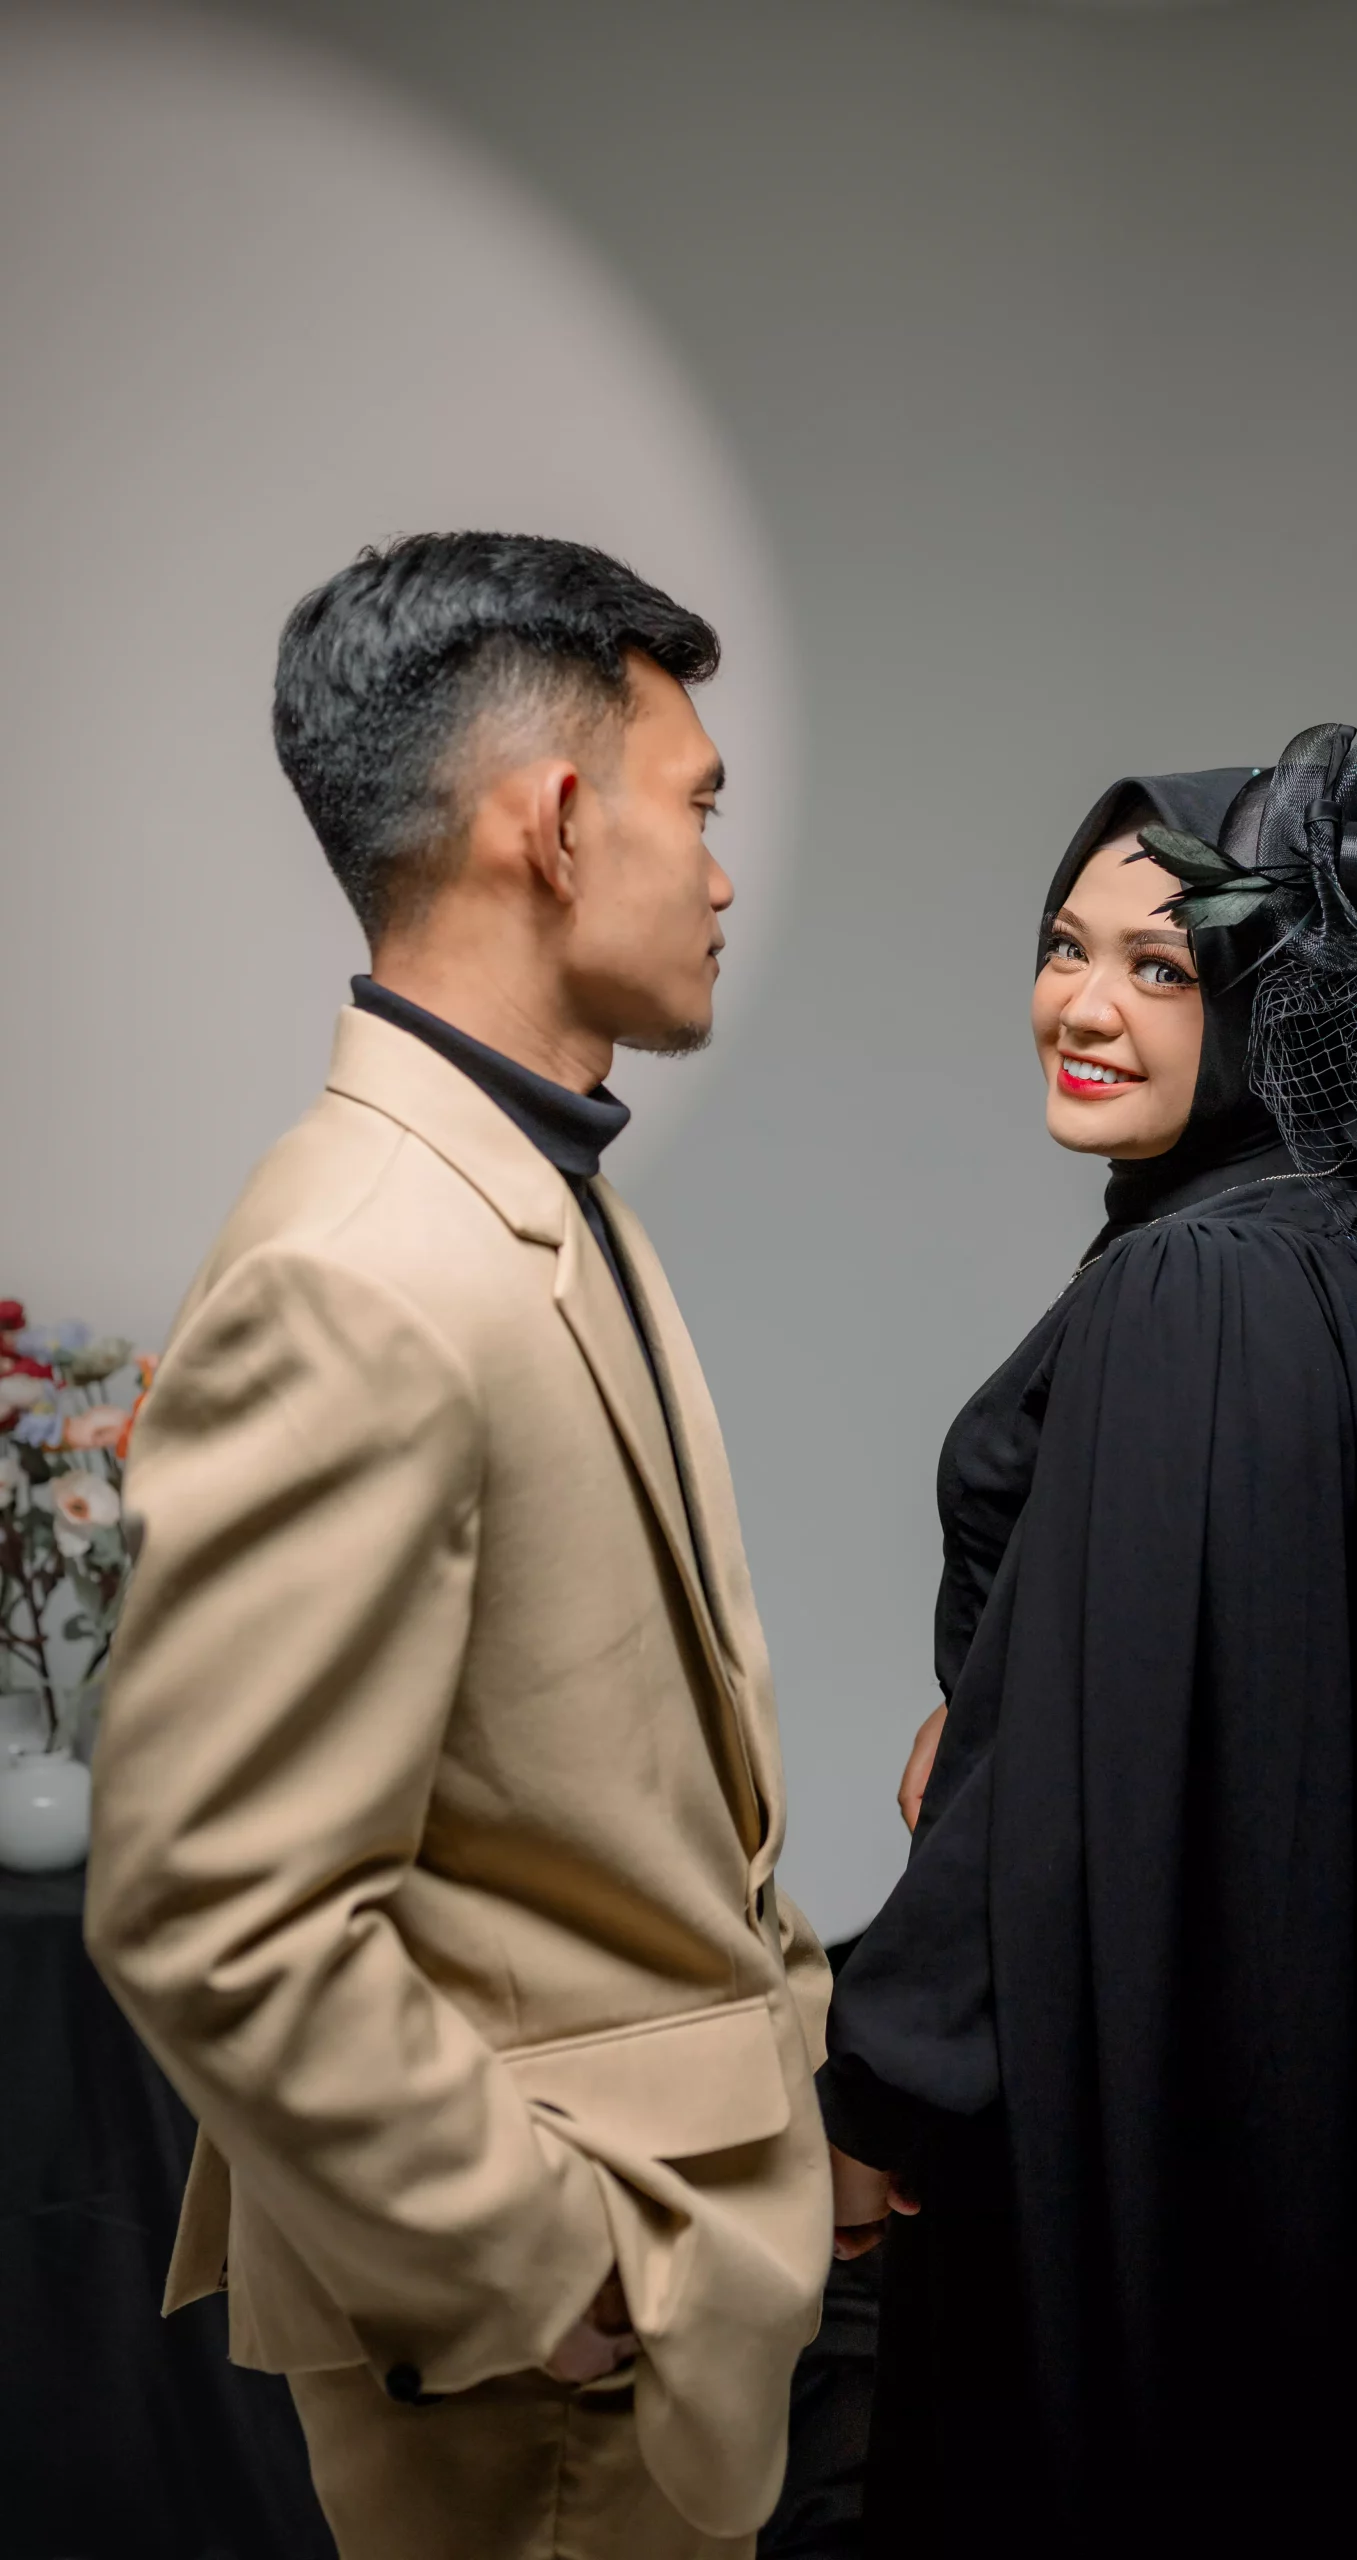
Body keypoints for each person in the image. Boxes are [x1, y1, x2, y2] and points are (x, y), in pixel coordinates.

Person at [84, 533, 833, 2560]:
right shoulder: (362, 1265)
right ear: (557, 824)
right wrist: (549, 2272)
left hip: (652, 2291)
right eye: (698, 807)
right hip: (546, 2380)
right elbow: (211, 1904)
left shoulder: (520, 1183)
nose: (722, 873)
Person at [818, 718, 1357, 2551]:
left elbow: (1076, 1778)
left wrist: (879, 2083)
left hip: (1108, 2119)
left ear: (1281, 1010)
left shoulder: (1195, 1284)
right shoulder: (1308, 1258)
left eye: (1160, 968)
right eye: (1063, 946)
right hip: (1251, 2113)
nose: (1079, 1006)